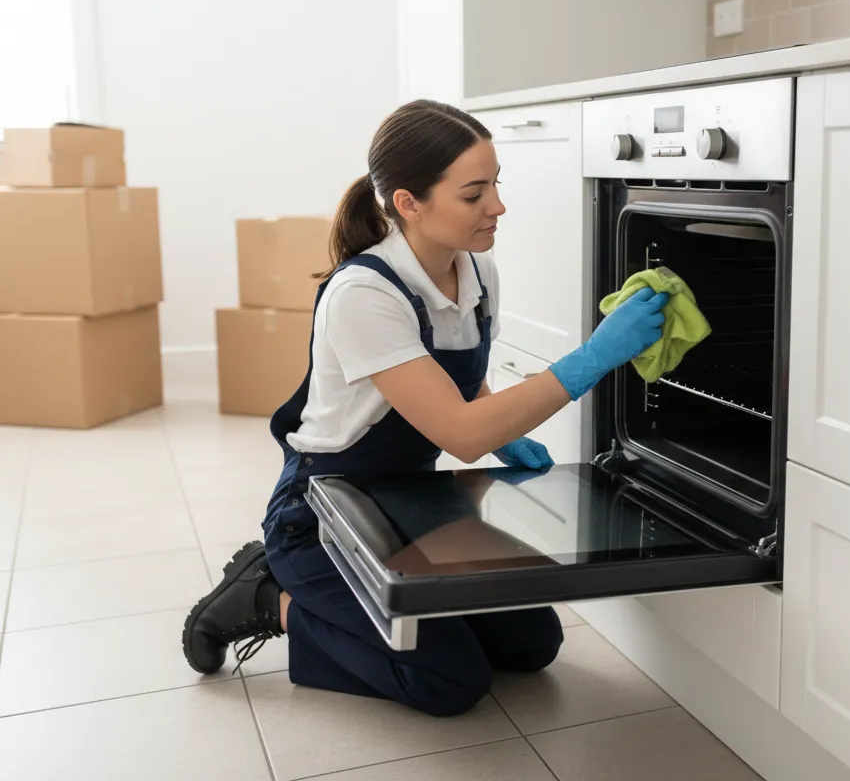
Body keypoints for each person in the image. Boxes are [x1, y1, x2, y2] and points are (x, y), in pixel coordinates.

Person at [180, 100, 667, 717]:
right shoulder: (366, 293)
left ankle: (387, 616)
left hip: (415, 500)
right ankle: (267, 597)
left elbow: (459, 388)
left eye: (496, 184)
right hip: (328, 515)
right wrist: (594, 357)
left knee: (532, 643)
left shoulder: (478, 269)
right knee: (448, 681)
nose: (497, 206)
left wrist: (500, 429)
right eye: (473, 193)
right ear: (409, 202)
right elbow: (460, 433)